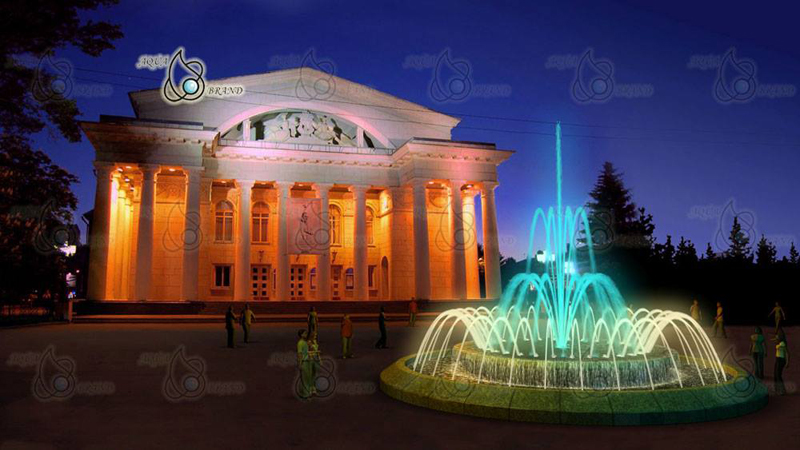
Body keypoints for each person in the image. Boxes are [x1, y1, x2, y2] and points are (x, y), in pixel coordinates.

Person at [296, 330, 314, 399]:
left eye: (306, 333)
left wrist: (310, 345)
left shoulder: (305, 342)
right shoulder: (300, 343)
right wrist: (300, 363)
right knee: (305, 378)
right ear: (301, 335)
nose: (306, 334)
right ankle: (305, 394)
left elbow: (310, 350)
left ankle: (304, 392)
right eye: (305, 333)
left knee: (308, 378)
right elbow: (299, 353)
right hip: (304, 361)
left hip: (308, 361)